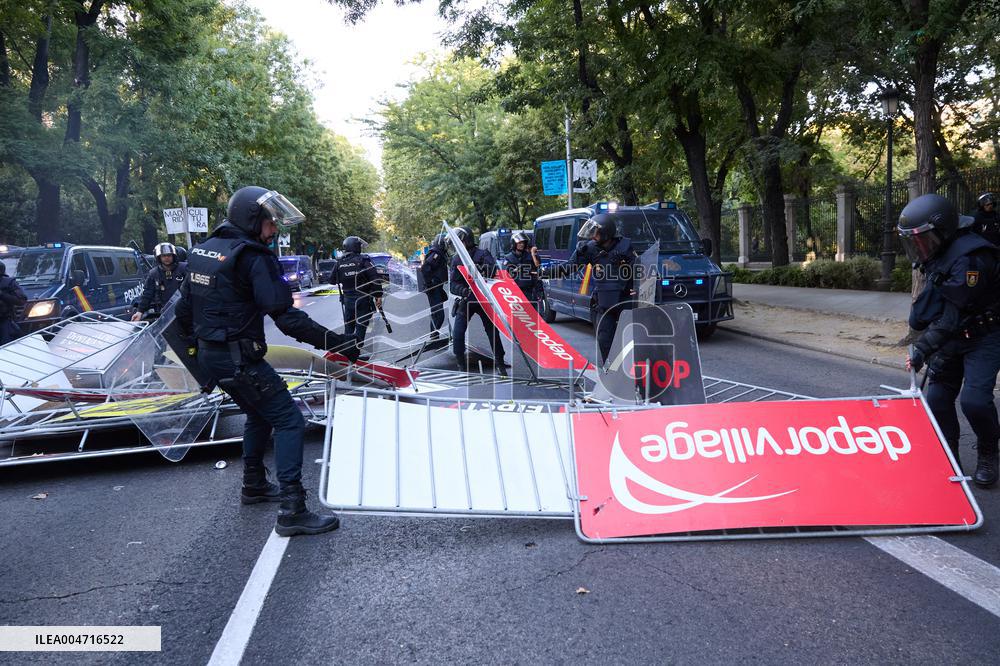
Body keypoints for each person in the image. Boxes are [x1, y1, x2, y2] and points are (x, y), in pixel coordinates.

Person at [176, 185, 360, 537]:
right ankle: (293, 509)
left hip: (215, 359)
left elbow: (183, 313)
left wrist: (200, 361)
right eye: (269, 222)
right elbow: (287, 318)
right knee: (290, 421)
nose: (274, 229)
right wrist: (337, 343)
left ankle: (254, 485)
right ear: (251, 220)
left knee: (259, 414)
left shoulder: (203, 252)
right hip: (240, 360)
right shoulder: (253, 258)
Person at [901, 193, 1000, 488]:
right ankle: (948, 457)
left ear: (942, 230)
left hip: (984, 336)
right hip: (951, 339)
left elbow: (953, 317)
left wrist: (921, 349)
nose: (919, 247)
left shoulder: (972, 258)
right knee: (938, 400)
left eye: (922, 239)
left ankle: (988, 452)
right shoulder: (939, 252)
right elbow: (929, 311)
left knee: (975, 402)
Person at [566, 213, 639, 364]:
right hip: (604, 304)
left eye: (596, 233)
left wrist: (635, 284)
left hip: (624, 301)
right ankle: (610, 371)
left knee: (630, 340)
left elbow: (640, 270)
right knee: (604, 339)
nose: (593, 237)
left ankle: (632, 373)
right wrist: (545, 273)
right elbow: (569, 268)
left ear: (606, 233)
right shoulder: (590, 249)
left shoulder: (625, 246)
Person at [449, 226, 508, 372]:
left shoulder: (482, 254)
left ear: (467, 240)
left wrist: (480, 269)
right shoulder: (456, 259)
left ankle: (500, 363)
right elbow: (453, 285)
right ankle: (461, 364)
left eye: (460, 240)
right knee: (457, 333)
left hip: (483, 300)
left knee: (492, 332)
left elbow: (493, 270)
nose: (458, 244)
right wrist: (463, 290)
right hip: (467, 300)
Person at [333, 236, 384, 357]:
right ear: (356, 246)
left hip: (347, 300)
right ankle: (355, 351)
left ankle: (347, 350)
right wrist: (378, 296)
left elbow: (332, 280)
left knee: (349, 326)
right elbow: (375, 279)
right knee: (361, 326)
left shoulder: (340, 262)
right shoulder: (363, 260)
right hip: (363, 299)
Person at [131, 242, 188, 321]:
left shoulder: (184, 269)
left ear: (174, 256)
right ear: (159, 257)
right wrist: (140, 311)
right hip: (167, 314)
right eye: (163, 256)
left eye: (169, 255)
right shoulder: (154, 273)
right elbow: (147, 294)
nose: (166, 258)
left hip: (186, 310)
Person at [420, 233, 449, 338]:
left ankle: (434, 336)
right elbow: (425, 268)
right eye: (446, 243)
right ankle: (433, 337)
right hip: (434, 287)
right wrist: (429, 284)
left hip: (437, 287)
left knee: (436, 313)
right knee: (438, 314)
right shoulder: (436, 253)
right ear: (441, 243)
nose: (448, 246)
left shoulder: (439, 253)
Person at [503, 231, 542, 310]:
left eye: (523, 243)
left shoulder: (530, 257)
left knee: (533, 315)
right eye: (519, 243)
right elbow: (505, 276)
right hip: (514, 293)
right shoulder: (508, 258)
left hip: (529, 291)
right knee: (518, 317)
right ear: (514, 243)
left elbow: (537, 273)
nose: (522, 244)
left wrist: (539, 291)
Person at [0, 262, 27, 345]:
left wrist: (2, 295)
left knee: (7, 347)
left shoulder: (8, 282)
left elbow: (21, 300)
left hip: (3, 321)